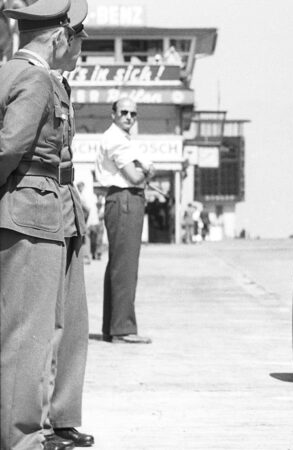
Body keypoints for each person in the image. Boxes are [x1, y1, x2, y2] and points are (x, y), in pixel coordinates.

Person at [0, 1, 74, 449]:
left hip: (18, 212)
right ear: (57, 36)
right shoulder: (37, 78)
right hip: (32, 216)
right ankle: (21, 441)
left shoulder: (6, 71)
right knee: (27, 336)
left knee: (14, 330)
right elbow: (10, 148)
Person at [46, 2, 95, 446]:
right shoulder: (32, 79)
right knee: (44, 322)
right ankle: (41, 419)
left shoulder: (60, 83)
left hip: (66, 209)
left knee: (74, 322)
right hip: (40, 211)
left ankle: (62, 415)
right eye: (77, 39)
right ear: (60, 37)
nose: (81, 49)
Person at [95, 98, 154, 344]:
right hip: (125, 199)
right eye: (124, 112)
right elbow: (134, 176)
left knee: (119, 264)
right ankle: (122, 329)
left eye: (133, 114)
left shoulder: (122, 139)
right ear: (113, 115)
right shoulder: (116, 139)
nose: (129, 117)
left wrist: (143, 170)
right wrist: (148, 170)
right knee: (126, 266)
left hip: (122, 200)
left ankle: (114, 326)